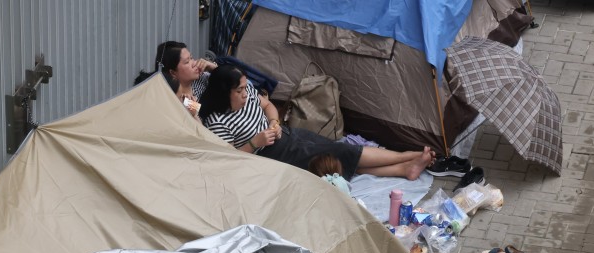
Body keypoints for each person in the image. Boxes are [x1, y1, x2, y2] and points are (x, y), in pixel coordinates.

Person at [199, 64, 434, 180]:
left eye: (244, 88)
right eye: (239, 90)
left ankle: (405, 167)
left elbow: (269, 106)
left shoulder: (248, 93)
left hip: (289, 136)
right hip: (273, 158)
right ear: (224, 92)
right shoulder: (216, 122)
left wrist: (274, 123)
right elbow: (229, 160)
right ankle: (407, 157)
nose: (244, 93)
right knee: (340, 152)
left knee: (338, 159)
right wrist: (254, 142)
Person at [134, 41, 216, 115]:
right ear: (173, 72)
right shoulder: (175, 95)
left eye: (191, 58)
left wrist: (214, 68)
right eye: (187, 62)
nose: (194, 63)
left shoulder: (202, 77)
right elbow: (202, 112)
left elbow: (227, 81)